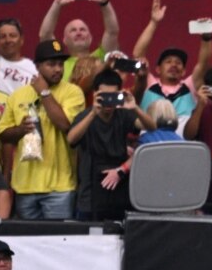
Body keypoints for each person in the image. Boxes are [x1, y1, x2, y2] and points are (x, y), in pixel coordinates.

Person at [0, 40, 86, 219]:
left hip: (60, 187)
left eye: (60, 64)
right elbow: (3, 134)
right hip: (24, 186)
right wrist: (20, 130)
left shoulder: (73, 92)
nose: (57, 69)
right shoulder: (19, 95)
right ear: (37, 66)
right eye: (51, 64)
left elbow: (65, 124)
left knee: (59, 242)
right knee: (27, 244)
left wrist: (44, 93)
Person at [66, 69, 156, 221]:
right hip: (91, 191)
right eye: (104, 96)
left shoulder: (123, 114)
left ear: (120, 93)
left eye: (113, 96)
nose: (108, 101)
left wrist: (135, 107)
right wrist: (94, 112)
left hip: (118, 183)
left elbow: (151, 127)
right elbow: (71, 140)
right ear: (95, 94)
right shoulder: (85, 116)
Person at [132, 0, 212, 134]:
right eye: (168, 61)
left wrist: (206, 38)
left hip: (182, 149)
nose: (174, 65)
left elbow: (203, 64)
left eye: (179, 63)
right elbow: (138, 55)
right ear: (158, 69)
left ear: (183, 72)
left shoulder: (190, 87)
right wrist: (153, 22)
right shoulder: (149, 84)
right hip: (151, 147)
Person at [38, 0, 118, 82]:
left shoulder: (101, 57)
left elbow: (112, 32)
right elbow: (45, 35)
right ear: (64, 40)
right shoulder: (59, 63)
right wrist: (56, 4)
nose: (79, 33)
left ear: (90, 38)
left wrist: (105, 3)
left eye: (83, 29)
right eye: (73, 30)